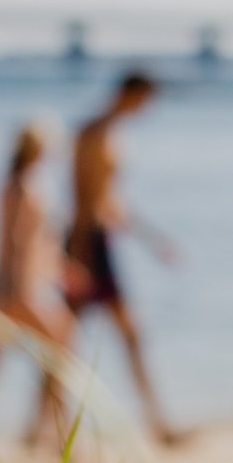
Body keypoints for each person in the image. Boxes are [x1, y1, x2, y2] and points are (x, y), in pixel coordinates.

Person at [65, 70, 182, 444]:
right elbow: (84, 200)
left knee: (67, 336)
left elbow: (110, 202)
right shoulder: (95, 134)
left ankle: (43, 428)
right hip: (88, 244)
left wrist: (153, 240)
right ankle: (158, 423)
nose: (145, 109)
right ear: (129, 94)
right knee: (75, 336)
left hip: (96, 242)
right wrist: (78, 256)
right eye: (144, 100)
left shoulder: (108, 134)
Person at [0, 122, 75, 444]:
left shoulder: (16, 183)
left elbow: (30, 242)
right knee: (60, 352)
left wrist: (59, 269)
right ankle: (59, 436)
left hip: (5, 286)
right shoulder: (25, 186)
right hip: (17, 289)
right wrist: (20, 286)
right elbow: (19, 240)